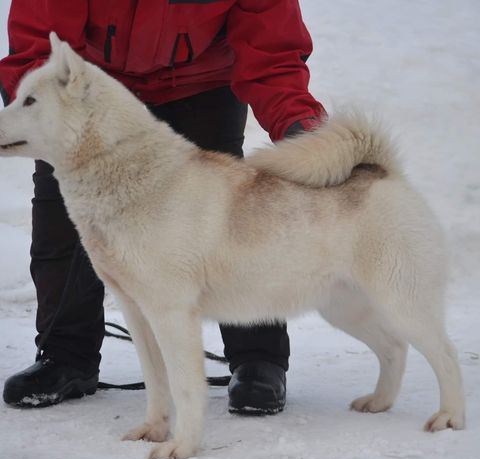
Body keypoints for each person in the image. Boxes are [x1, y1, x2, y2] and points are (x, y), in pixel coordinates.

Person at [0, 0, 326, 413]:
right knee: (65, 217)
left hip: (202, 84)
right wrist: (42, 115)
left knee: (231, 218)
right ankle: (66, 357)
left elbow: (273, 51)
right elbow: (40, 41)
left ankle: (259, 360)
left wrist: (302, 127)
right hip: (95, 92)